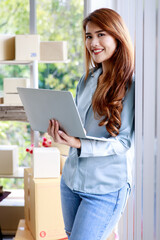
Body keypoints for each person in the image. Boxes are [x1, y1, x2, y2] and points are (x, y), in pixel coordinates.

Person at [47, 8, 135, 240]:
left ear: (117, 36)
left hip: (104, 189)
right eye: (88, 36)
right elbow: (78, 128)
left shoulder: (130, 86)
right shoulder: (87, 80)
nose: (93, 42)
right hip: (71, 181)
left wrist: (79, 143)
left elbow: (123, 142)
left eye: (101, 34)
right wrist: (62, 133)